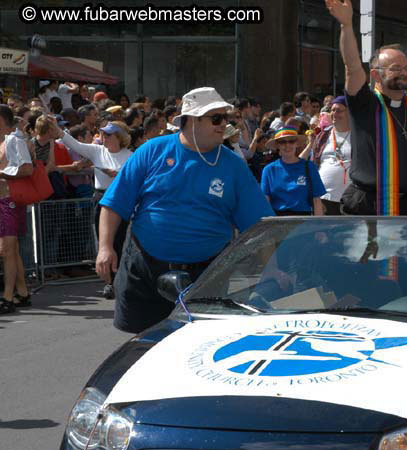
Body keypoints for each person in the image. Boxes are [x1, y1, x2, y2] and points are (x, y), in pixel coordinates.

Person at [96, 87, 273, 333]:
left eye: (226, 118)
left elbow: (260, 226)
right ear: (191, 120)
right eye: (216, 118)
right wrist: (105, 248)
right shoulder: (152, 151)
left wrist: (273, 270)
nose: (224, 124)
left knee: (201, 344)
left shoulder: (233, 166)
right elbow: (113, 204)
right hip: (145, 268)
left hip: (206, 276)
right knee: (141, 346)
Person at [326, 0, 407, 216]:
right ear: (375, 75)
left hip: (406, 210)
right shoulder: (365, 105)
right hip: (365, 206)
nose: (405, 72)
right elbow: (352, 66)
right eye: (396, 68)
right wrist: (346, 25)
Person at [52, 119, 133, 298]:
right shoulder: (97, 151)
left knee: (121, 240)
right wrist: (59, 131)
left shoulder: (130, 155)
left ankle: (121, 278)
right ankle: (110, 282)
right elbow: (75, 144)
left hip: (121, 198)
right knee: (104, 242)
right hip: (101, 197)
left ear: (119, 137)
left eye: (109, 134)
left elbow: (135, 177)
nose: (104, 137)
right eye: (103, 133)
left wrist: (118, 175)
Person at [0, 105, 34, 313]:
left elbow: (27, 168)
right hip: (1, 201)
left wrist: (3, 173)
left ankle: (7, 297)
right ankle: (22, 292)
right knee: (11, 252)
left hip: (10, 200)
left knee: (7, 250)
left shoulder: (14, 141)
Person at [261, 127, 326, 216]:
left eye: (291, 141)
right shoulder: (269, 170)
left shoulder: (309, 167)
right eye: (282, 142)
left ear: (296, 144)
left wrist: (319, 226)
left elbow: (316, 199)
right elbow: (265, 200)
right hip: (277, 220)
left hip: (303, 220)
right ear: (277, 145)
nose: (287, 145)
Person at [304, 96, 352, 215]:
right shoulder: (323, 135)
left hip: (350, 198)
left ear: (349, 113)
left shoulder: (358, 135)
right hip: (324, 198)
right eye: (333, 110)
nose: (335, 113)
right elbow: (314, 161)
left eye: (339, 110)